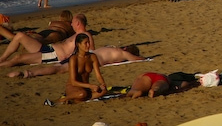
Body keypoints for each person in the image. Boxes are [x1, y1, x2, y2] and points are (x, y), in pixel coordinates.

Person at [0, 13, 92, 67]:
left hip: (52, 55)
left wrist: (66, 60)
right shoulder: (76, 35)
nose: (71, 24)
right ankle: (2, 59)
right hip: (48, 48)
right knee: (20, 35)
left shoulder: (85, 35)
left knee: (18, 58)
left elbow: (91, 52)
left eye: (72, 23)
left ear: (78, 23)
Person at [8, 44, 144, 79]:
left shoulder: (111, 48)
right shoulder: (121, 52)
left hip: (82, 54)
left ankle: (27, 72)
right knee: (59, 69)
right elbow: (135, 59)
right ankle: (28, 73)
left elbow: (133, 58)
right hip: (87, 60)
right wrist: (145, 58)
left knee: (58, 66)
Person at [63, 33, 107, 103]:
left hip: (85, 87)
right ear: (78, 44)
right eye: (85, 43)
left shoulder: (92, 57)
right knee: (82, 94)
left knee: (103, 91)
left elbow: (98, 75)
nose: (88, 45)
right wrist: (90, 86)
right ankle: (62, 100)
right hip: (74, 86)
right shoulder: (74, 59)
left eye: (89, 42)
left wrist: (102, 84)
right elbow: (73, 82)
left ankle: (77, 99)